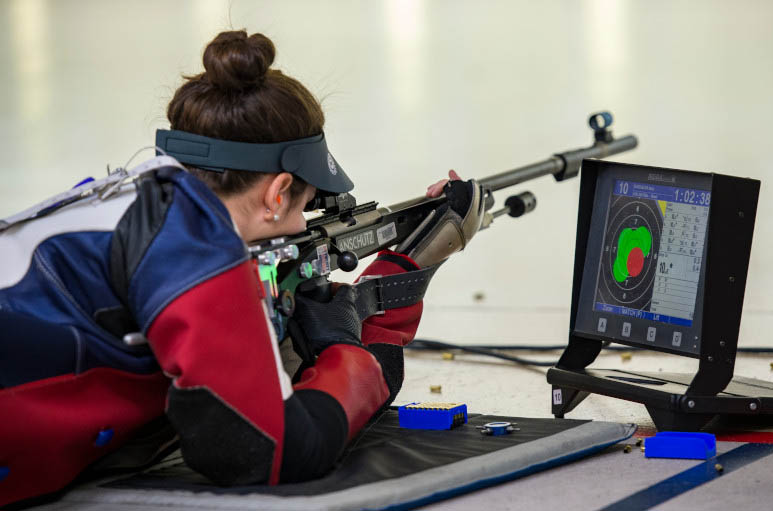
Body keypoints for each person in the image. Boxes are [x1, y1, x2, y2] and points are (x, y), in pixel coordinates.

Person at [0, 30, 483, 507]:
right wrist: (347, 338)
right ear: (276, 194)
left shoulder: (140, 199)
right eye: (306, 205)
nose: (301, 225)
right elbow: (269, 452)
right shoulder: (199, 249)